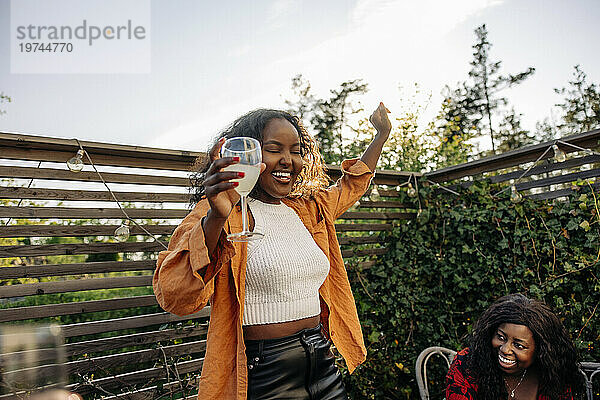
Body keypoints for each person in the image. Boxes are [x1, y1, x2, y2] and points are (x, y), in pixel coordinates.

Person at [153, 103, 392, 399]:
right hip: (265, 374)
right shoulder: (219, 210)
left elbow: (352, 185)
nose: (287, 160)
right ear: (247, 157)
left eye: (295, 150)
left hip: (323, 363)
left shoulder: (307, 209)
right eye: (274, 149)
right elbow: (175, 295)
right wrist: (215, 219)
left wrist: (380, 135)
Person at [446, 293, 583, 400]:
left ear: (541, 350)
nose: (505, 349)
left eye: (518, 345)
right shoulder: (467, 364)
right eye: (501, 337)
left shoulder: (553, 375)